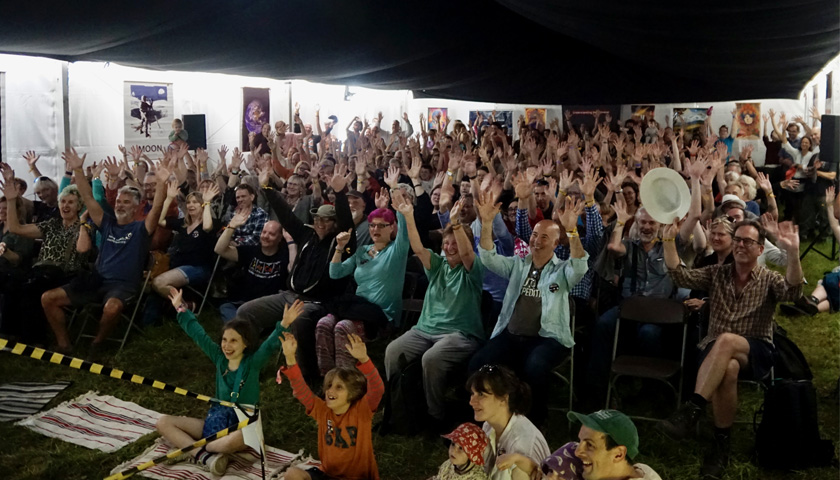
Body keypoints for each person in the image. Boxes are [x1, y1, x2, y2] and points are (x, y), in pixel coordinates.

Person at [658, 218, 803, 478]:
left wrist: (792, 253)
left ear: (761, 249)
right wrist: (668, 241)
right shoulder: (717, 272)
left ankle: (693, 408)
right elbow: (680, 274)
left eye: (748, 241)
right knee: (728, 369)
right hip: (716, 350)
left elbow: (793, 292)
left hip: (756, 348)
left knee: (726, 340)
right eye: (737, 239)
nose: (740, 245)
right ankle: (721, 443)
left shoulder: (768, 279)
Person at [469, 191, 588, 426]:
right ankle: (481, 418)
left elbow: (580, 266)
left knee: (533, 366)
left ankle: (534, 421)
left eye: (544, 237)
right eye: (534, 235)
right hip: (512, 335)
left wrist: (572, 230)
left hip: (547, 338)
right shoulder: (517, 265)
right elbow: (488, 258)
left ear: (555, 243)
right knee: (479, 363)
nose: (536, 240)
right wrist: (487, 223)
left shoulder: (562, 270)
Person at [156, 289, 302, 475]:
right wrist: (180, 308)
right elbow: (198, 334)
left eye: (234, 341)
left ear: (246, 343)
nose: (227, 345)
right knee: (163, 422)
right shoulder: (219, 357)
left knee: (241, 438)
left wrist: (284, 323)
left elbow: (270, 344)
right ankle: (205, 456)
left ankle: (197, 451)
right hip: (216, 423)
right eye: (225, 340)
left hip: (241, 426)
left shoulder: (253, 363)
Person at [41, 148, 167, 359]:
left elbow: (157, 208)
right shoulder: (106, 223)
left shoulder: (141, 229)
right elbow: (88, 198)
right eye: (118, 201)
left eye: (126, 202)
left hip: (123, 286)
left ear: (136, 208)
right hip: (96, 281)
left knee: (111, 308)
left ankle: (96, 344)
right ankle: (64, 345)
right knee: (48, 298)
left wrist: (162, 182)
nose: (120, 204)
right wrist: (79, 171)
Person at [236, 165, 355, 385]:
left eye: (325, 220)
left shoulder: (341, 242)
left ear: (334, 224)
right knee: (246, 311)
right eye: (317, 219)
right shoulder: (306, 235)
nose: (319, 223)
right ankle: (248, 361)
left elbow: (347, 224)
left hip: (316, 302)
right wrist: (267, 188)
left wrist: (339, 193)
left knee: (299, 322)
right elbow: (285, 215)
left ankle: (307, 378)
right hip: (289, 295)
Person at [385, 193, 485, 428]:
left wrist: (457, 224)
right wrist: (408, 216)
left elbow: (468, 254)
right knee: (392, 351)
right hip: (424, 330)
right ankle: (395, 406)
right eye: (446, 243)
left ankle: (435, 415)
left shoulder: (472, 271)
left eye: (455, 243)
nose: (450, 248)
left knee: (431, 359)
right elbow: (418, 248)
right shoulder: (437, 266)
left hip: (460, 334)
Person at [316, 203, 408, 375]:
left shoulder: (397, 250)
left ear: (392, 228)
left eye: (382, 225)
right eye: (372, 225)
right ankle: (328, 377)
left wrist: (396, 197)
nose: (375, 229)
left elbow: (405, 224)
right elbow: (335, 273)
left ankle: (347, 379)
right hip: (357, 310)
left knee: (342, 327)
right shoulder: (363, 251)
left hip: (381, 316)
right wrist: (339, 248)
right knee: (323, 324)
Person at [0, 166, 88, 345]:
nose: (65, 206)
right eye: (63, 202)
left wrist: (83, 223)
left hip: (68, 274)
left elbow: (83, 250)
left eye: (70, 202)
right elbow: (17, 228)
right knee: (13, 286)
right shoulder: (51, 224)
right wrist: (11, 201)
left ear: (79, 206)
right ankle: (10, 336)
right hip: (41, 271)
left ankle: (34, 342)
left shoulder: (84, 226)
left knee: (30, 290)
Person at [280, 332, 384, 480]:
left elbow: (377, 388)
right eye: (329, 385)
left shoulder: (362, 411)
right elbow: (301, 390)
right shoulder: (323, 410)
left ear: (353, 393)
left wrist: (364, 359)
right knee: (292, 474)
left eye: (339, 387)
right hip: (327, 475)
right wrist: (290, 357)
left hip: (357, 477)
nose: (330, 390)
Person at [141, 182, 221, 325]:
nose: (190, 205)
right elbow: (160, 220)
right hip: (178, 266)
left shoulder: (210, 222)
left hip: (199, 268)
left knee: (159, 283)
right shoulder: (183, 224)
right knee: (150, 285)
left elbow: (208, 227)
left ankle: (185, 308)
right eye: (189, 202)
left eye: (195, 202)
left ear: (202, 205)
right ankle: (151, 323)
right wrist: (168, 198)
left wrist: (207, 202)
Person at [467, 365, 550, 480]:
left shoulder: (523, 445)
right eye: (472, 393)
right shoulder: (489, 425)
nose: (472, 402)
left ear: (504, 398)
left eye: (481, 395)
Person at [214, 215, 292, 322]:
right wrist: (231, 227)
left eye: (271, 234)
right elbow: (220, 249)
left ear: (279, 238)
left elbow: (293, 269)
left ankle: (240, 327)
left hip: (269, 306)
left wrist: (291, 243)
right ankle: (244, 327)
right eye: (264, 232)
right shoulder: (251, 251)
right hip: (246, 302)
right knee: (226, 307)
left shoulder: (284, 255)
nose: (266, 236)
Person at [567, 410, 662, 480]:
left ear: (618, 454)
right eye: (580, 441)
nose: (577, 452)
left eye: (590, 445)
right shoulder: (641, 470)